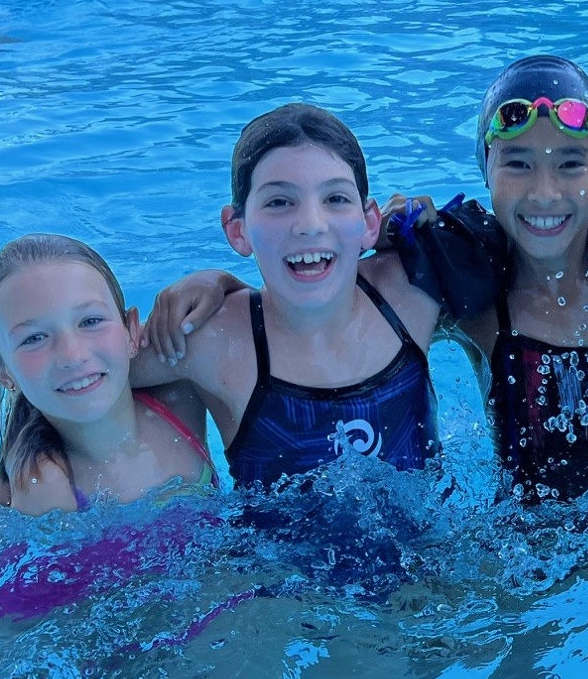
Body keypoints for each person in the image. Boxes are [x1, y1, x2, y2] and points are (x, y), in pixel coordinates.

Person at [399, 59, 588, 502]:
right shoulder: (481, 310)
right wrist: (388, 235)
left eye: (571, 163)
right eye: (518, 163)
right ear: (486, 169)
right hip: (520, 541)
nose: (544, 193)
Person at [135, 104, 443, 490]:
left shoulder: (410, 292)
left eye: (336, 198)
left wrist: (431, 230)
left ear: (368, 222)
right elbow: (86, 366)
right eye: (279, 202)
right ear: (237, 230)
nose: (310, 225)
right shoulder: (213, 338)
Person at [0, 236, 212, 515]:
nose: (73, 356)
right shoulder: (19, 499)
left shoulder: (181, 395)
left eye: (90, 321)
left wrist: (214, 281)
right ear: (0, 369)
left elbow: (242, 321)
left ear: (131, 330)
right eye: (34, 338)